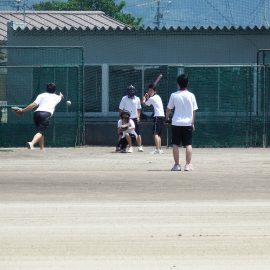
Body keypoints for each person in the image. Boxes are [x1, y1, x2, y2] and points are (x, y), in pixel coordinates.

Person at [16, 83, 64, 150]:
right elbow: (61, 97)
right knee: (41, 132)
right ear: (55, 90)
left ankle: (42, 149)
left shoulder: (41, 95)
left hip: (36, 114)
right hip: (46, 114)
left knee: (40, 132)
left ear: (46, 89)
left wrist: (23, 111)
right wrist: (61, 96)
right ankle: (31, 143)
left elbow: (33, 104)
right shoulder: (57, 97)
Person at [165, 74, 198, 171]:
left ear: (178, 84)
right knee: (188, 144)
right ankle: (187, 165)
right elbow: (194, 111)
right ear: (187, 83)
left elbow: (168, 109)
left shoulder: (174, 95)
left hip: (176, 123)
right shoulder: (191, 95)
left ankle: (177, 165)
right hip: (187, 123)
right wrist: (193, 123)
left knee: (175, 144)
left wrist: (166, 118)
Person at [119, 85, 143, 152]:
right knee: (126, 133)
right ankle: (130, 147)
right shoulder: (124, 98)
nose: (131, 92)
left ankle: (140, 146)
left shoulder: (137, 99)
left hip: (135, 118)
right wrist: (122, 119)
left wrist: (138, 117)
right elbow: (120, 109)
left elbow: (139, 109)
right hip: (126, 119)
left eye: (132, 90)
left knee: (137, 133)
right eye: (130, 90)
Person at [142, 84, 165, 154]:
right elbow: (150, 100)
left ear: (155, 91)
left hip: (157, 117)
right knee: (158, 134)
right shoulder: (157, 97)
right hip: (162, 116)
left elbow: (145, 104)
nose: (149, 92)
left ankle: (157, 150)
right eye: (149, 91)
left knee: (155, 134)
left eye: (151, 91)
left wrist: (144, 98)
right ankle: (160, 149)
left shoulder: (153, 98)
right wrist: (148, 97)